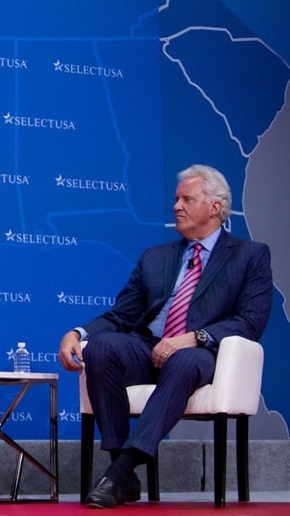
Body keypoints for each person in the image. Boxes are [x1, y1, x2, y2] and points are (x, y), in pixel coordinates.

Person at [58, 165, 272, 509]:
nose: (176, 206)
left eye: (187, 199)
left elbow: (251, 322)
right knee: (100, 347)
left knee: (186, 359)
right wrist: (77, 333)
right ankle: (122, 471)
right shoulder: (156, 258)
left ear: (215, 207)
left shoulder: (250, 256)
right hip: (148, 349)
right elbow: (120, 315)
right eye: (176, 199)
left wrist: (194, 337)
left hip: (200, 355)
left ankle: (120, 469)